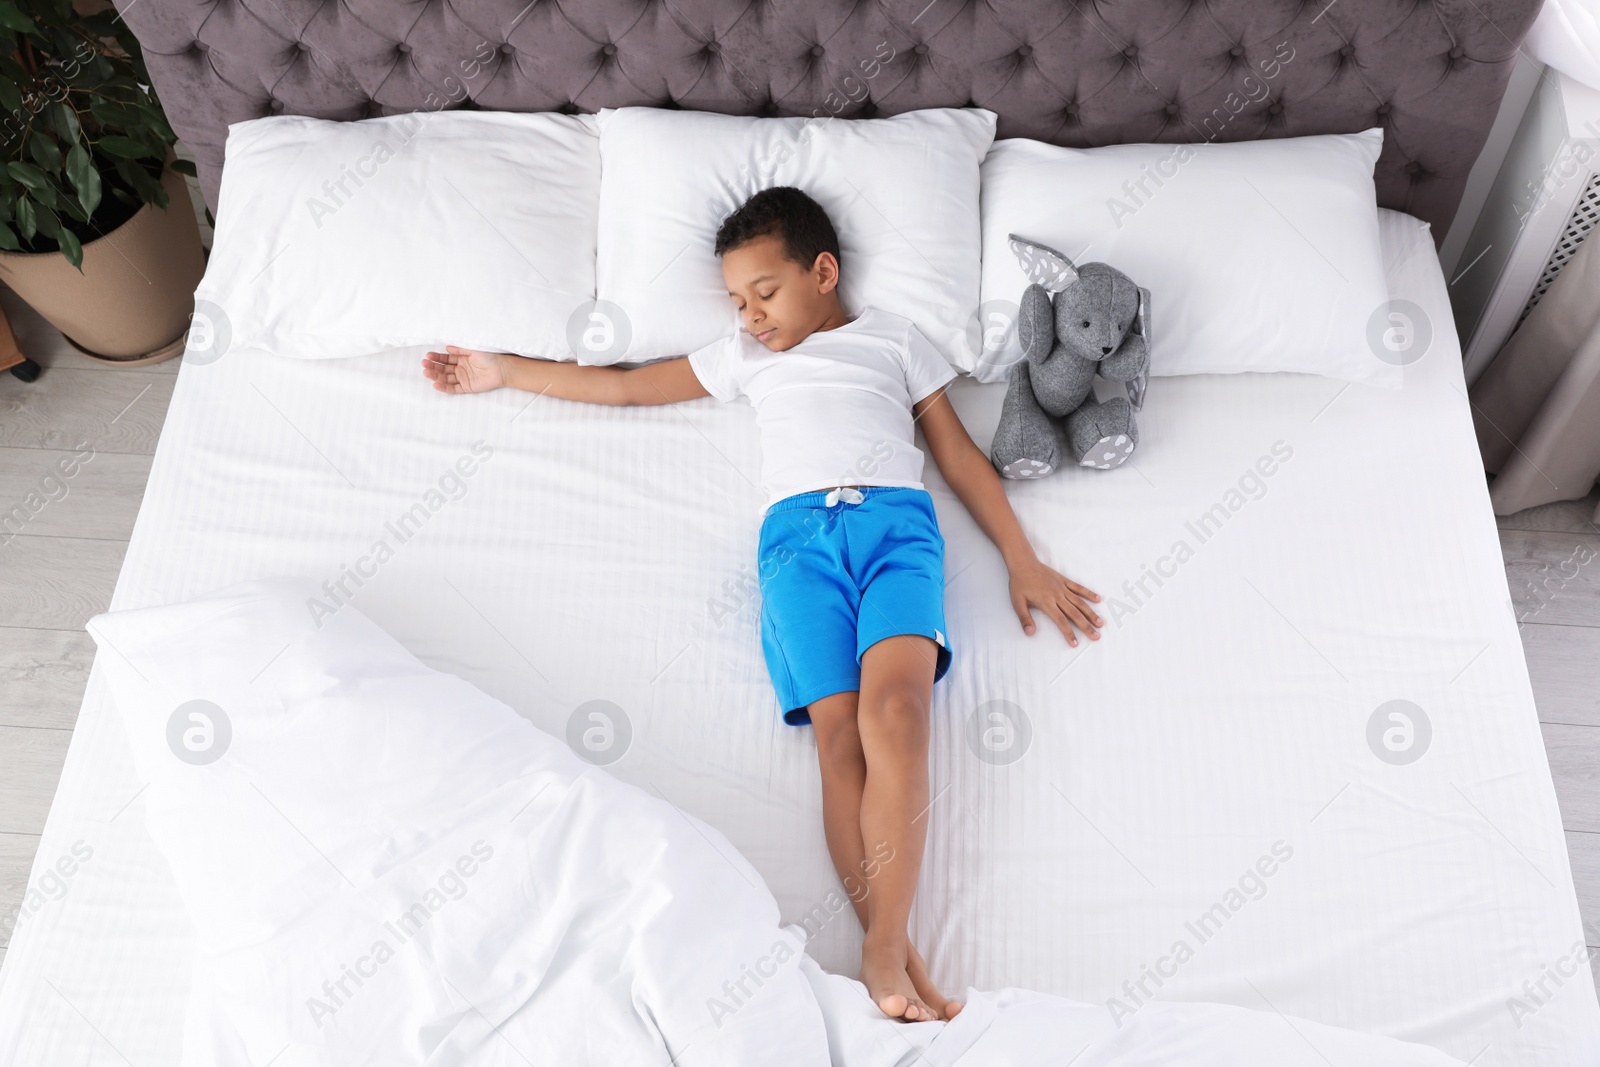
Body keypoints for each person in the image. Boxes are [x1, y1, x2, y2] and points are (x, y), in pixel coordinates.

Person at [422, 186, 1103, 1022]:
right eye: (738, 302)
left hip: (896, 532)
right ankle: (893, 947)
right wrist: (504, 370)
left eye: (765, 293)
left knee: (899, 713)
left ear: (823, 271)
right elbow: (630, 389)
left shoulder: (893, 340)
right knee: (839, 736)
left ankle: (884, 947)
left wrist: (1021, 559)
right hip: (797, 551)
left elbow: (957, 456)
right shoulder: (745, 359)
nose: (750, 316)